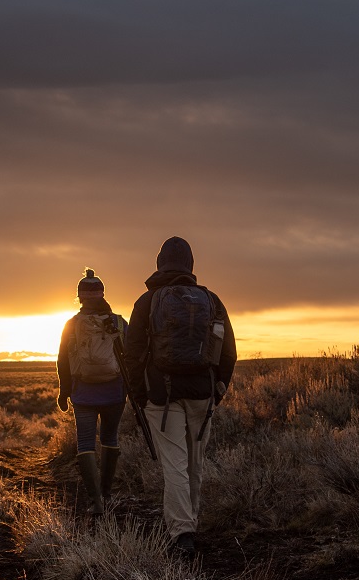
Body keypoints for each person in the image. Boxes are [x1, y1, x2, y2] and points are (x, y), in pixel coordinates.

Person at [123, 237, 237, 558]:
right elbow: (228, 352)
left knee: (175, 464)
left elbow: (132, 356)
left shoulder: (147, 302)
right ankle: (191, 520)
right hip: (202, 394)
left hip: (162, 397)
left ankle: (182, 532)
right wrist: (218, 390)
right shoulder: (212, 300)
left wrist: (141, 396)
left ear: (160, 263)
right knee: (195, 462)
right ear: (190, 265)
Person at [55, 269, 128, 516]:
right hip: (114, 393)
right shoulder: (118, 322)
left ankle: (95, 501)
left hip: (83, 393)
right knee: (110, 438)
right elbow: (130, 358)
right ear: (102, 294)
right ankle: (106, 494)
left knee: (85, 442)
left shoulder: (71, 325)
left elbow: (62, 361)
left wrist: (64, 392)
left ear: (80, 297)